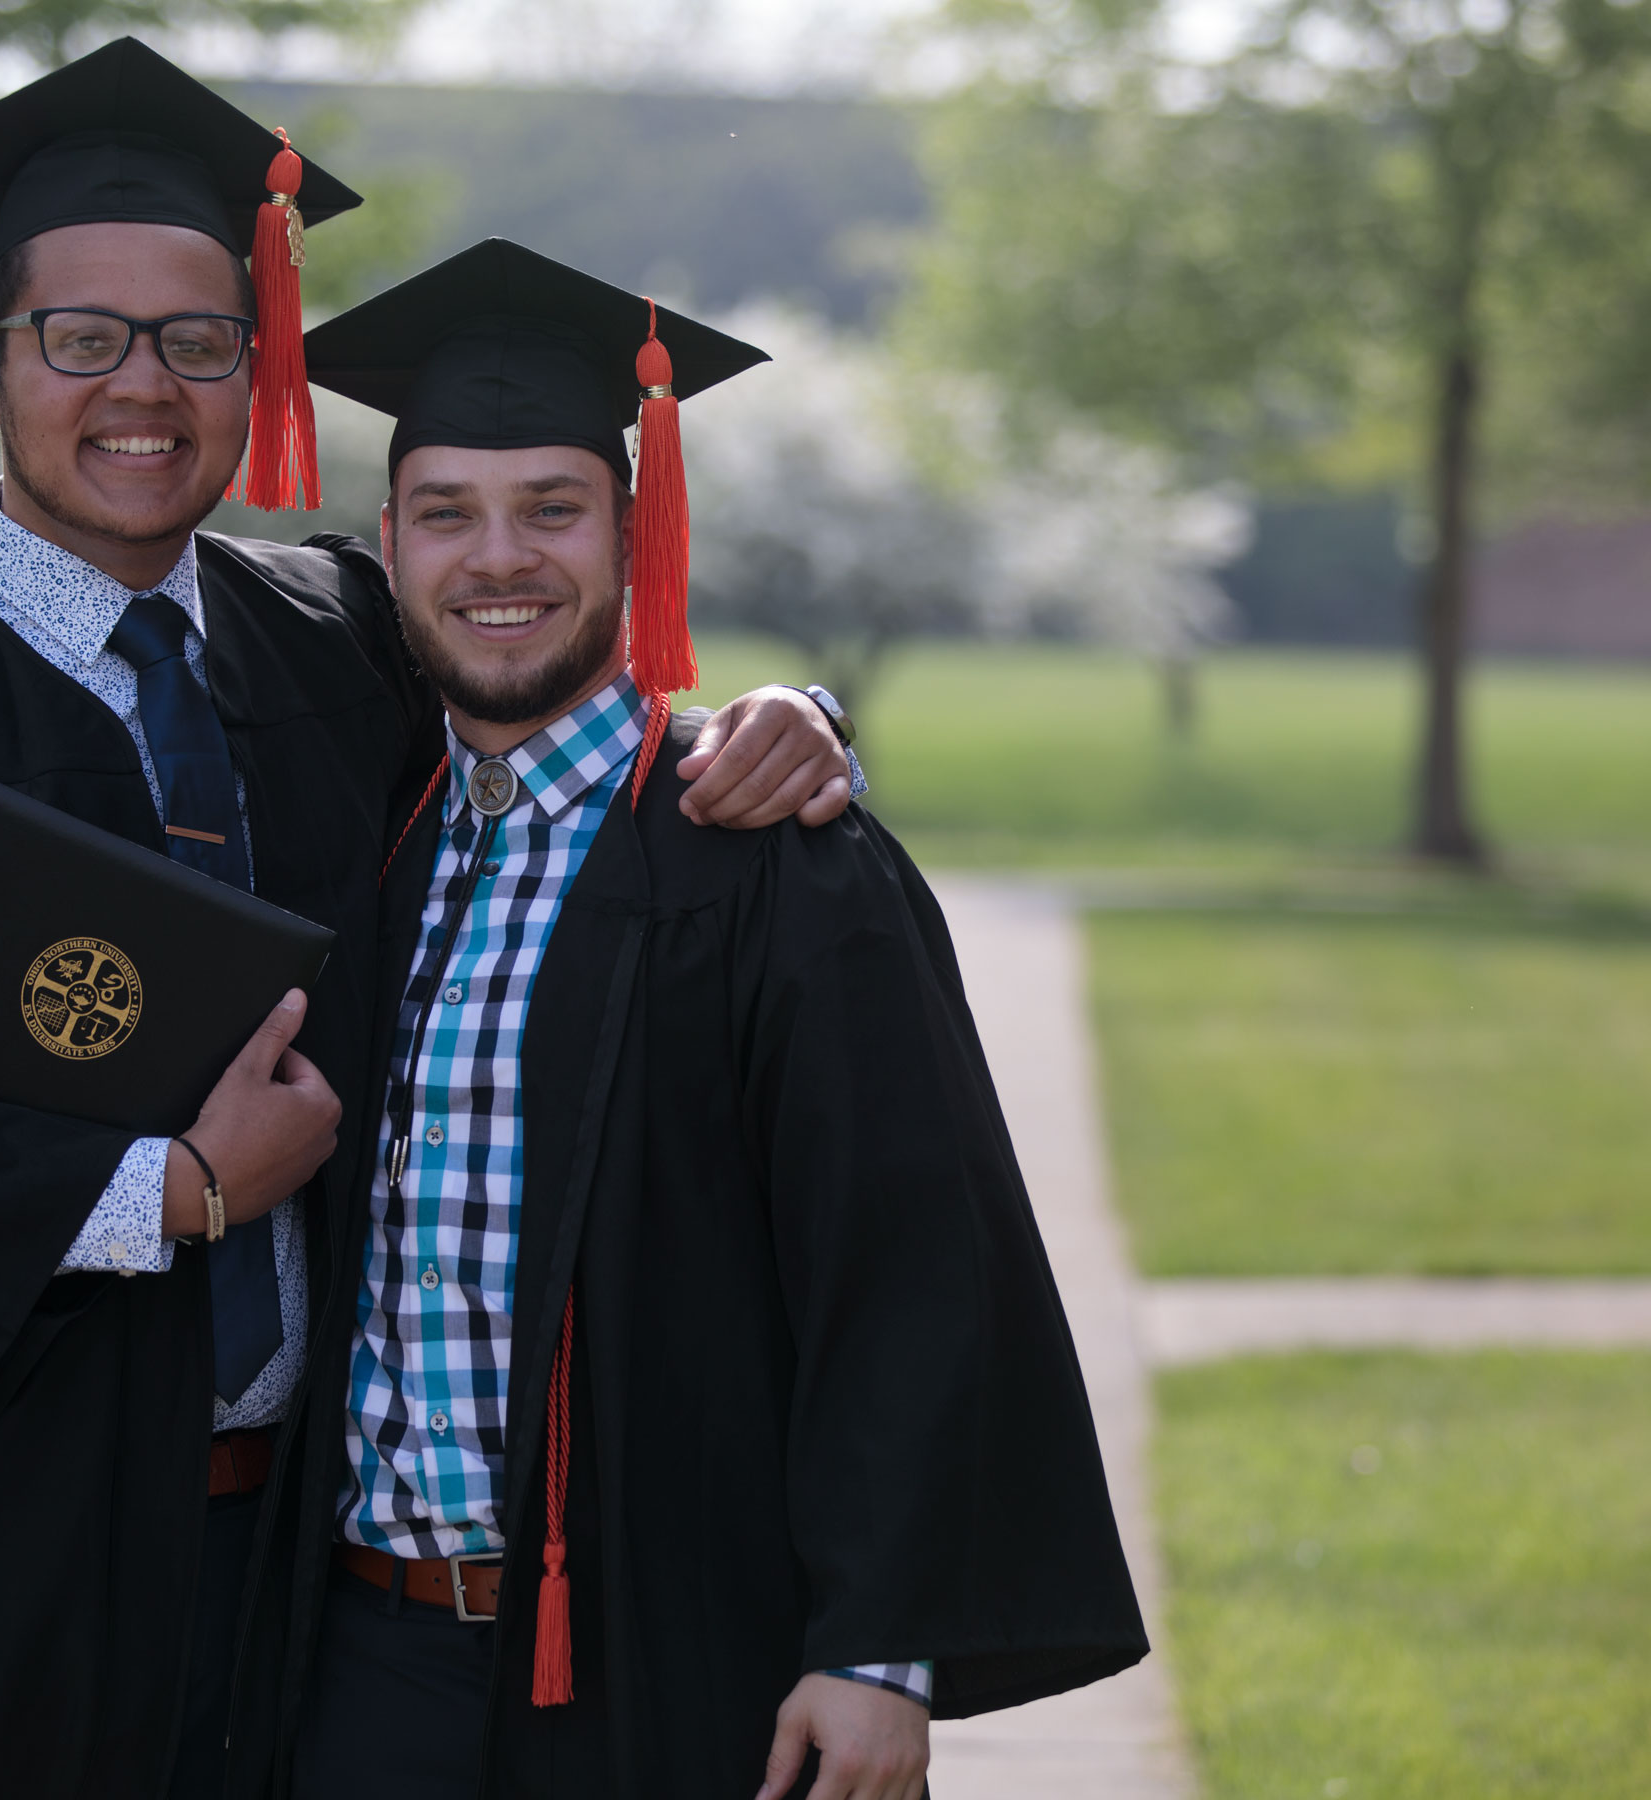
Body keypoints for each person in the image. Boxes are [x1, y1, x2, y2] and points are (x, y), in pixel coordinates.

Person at [0, 47, 856, 1800]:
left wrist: (780, 716)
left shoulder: (339, 644)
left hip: (274, 1580)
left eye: (202, 340)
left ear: (257, 369)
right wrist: (173, 1195)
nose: (144, 386)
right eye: (83, 337)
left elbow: (543, 687)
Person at [269, 239, 1150, 1800]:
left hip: (681, 1664)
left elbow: (906, 1270)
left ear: (636, 530)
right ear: (387, 543)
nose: (500, 559)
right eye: (448, 514)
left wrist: (879, 1648)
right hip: (360, 1665)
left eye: (553, 509)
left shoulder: (778, 864)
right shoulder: (363, 840)